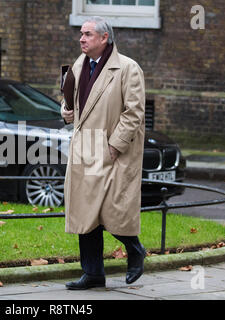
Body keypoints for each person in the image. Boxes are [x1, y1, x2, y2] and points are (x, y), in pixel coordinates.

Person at [60, 16, 147, 290]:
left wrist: (114, 146)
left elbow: (134, 113)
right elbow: (70, 103)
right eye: (81, 34)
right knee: (86, 214)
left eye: (87, 34)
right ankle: (93, 273)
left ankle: (135, 250)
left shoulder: (128, 68)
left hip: (113, 152)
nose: (81, 39)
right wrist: (66, 111)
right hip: (85, 149)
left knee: (113, 210)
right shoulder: (77, 64)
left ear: (103, 38)